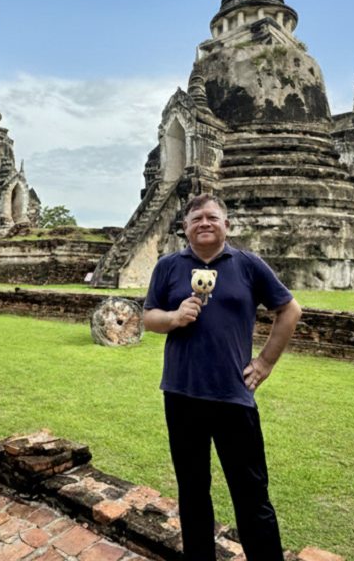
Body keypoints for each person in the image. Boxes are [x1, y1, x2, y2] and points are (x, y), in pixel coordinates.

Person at [143, 193, 303, 561]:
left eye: (212, 217)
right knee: (193, 490)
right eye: (196, 218)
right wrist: (174, 317)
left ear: (226, 224)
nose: (204, 223)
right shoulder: (169, 266)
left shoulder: (246, 264)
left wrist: (264, 363)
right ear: (184, 228)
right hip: (181, 394)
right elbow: (149, 316)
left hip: (233, 396)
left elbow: (289, 310)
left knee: (251, 494)